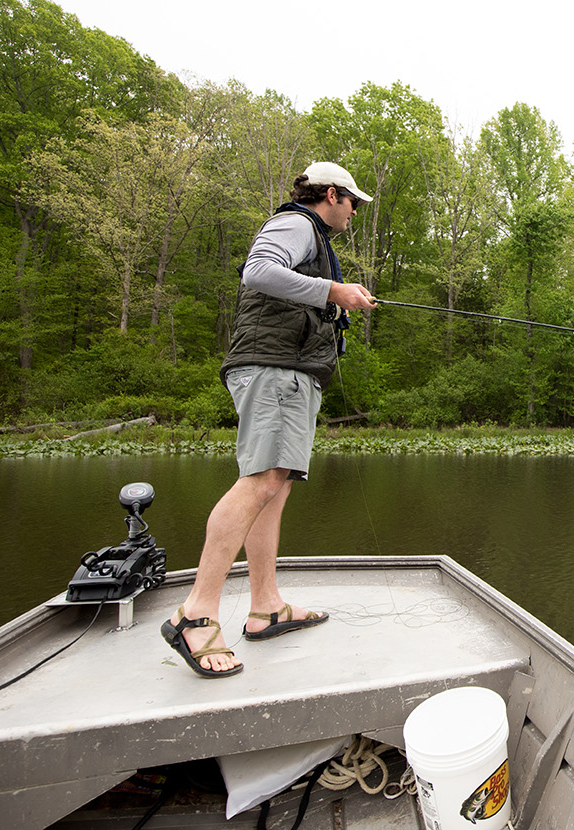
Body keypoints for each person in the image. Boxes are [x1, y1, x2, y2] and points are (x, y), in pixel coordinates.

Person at [161, 161, 378, 678]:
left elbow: (287, 291)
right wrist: (333, 291)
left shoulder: (313, 239)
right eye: (353, 203)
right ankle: (195, 615)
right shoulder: (298, 224)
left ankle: (266, 608)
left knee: (274, 488)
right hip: (274, 372)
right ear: (331, 195)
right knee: (259, 482)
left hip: (289, 372)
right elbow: (257, 271)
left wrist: (334, 304)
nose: (355, 213)